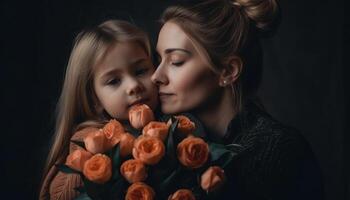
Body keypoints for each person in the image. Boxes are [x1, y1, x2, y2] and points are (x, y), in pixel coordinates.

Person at [151, 0, 324, 199]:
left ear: (228, 71)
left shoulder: (281, 151)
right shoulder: (169, 147)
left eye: (175, 62)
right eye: (158, 60)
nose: (156, 76)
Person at [39, 19, 158, 200]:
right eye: (114, 81)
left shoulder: (167, 124)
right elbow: (60, 195)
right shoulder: (90, 139)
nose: (133, 85)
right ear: (94, 99)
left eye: (140, 70)